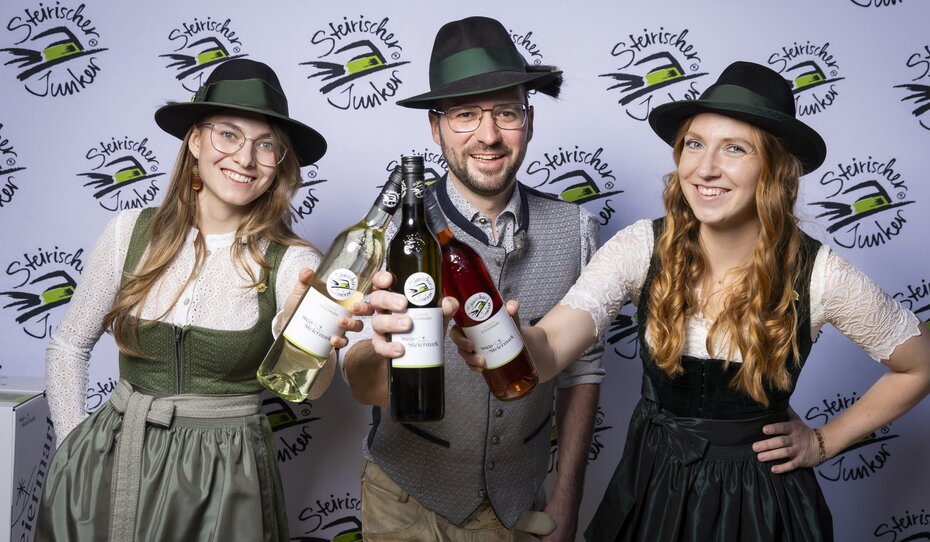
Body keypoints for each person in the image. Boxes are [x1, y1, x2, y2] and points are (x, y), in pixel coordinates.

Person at [454, 61, 930, 541]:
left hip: (762, 505)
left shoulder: (820, 275)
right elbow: (553, 346)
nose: (705, 168)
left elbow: (924, 365)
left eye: (734, 148)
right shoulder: (639, 247)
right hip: (652, 489)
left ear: (774, 170)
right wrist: (513, 343)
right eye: (694, 144)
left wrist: (824, 441)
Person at [37, 58, 340, 541]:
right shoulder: (127, 233)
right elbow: (68, 346)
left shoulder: (295, 261)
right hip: (112, 463)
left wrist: (296, 326)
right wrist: (74, 448)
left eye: (267, 145)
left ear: (280, 164)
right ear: (195, 140)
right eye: (228, 135)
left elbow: (309, 388)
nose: (245, 158)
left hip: (225, 478)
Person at [342, 16, 605, 542]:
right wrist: (380, 348)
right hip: (405, 500)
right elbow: (359, 379)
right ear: (435, 128)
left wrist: (567, 493)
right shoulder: (391, 234)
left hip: (523, 504)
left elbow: (582, 372)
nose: (488, 135)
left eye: (506, 112)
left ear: (528, 121)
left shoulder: (575, 228)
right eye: (465, 115)